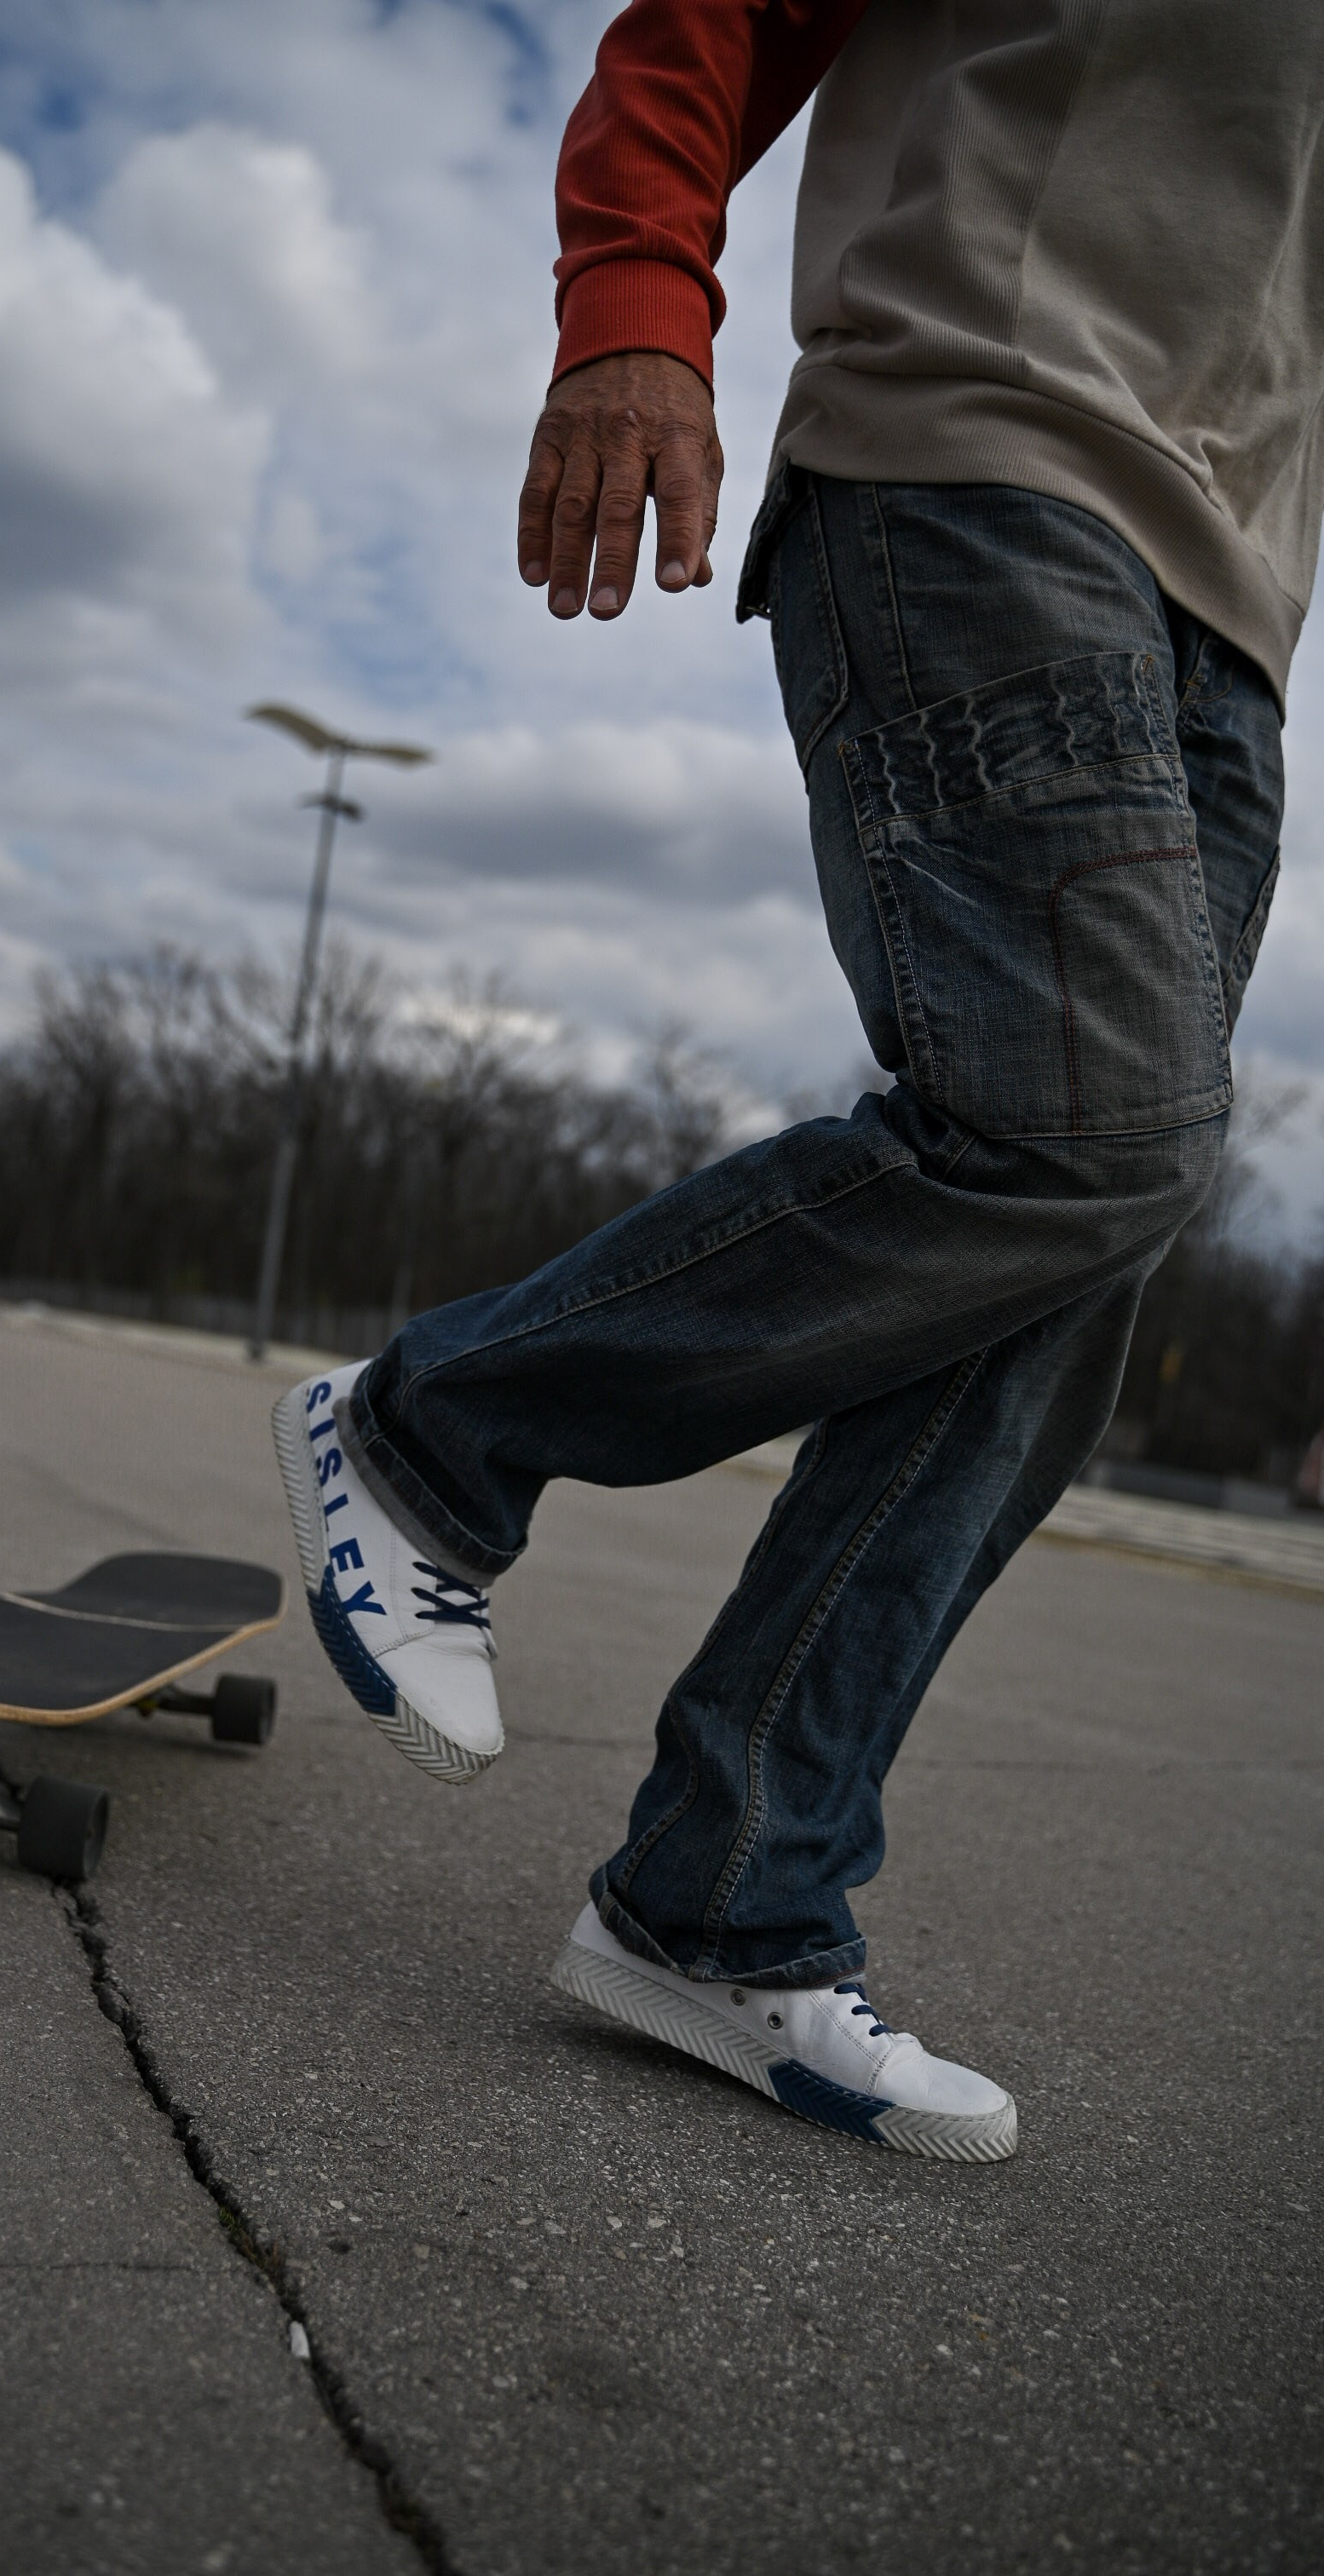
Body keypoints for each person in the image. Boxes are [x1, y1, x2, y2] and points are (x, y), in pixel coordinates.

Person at [273, 0, 1316, 2162]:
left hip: (1241, 597)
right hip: (986, 449)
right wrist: (637, 304)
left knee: (1070, 1242)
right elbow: (709, 17)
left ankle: (722, 1906)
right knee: (1087, 1133)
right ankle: (429, 1437)